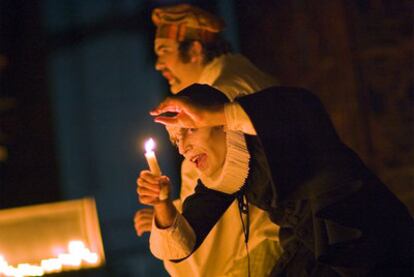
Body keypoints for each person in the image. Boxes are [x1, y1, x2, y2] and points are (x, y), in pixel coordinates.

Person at [138, 84, 414, 276]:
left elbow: (302, 106)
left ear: (220, 121)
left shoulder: (271, 130)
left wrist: (217, 112)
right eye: (175, 141)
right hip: (313, 255)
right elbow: (182, 243)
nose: (183, 147)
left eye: (188, 130)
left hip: (371, 242)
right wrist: (162, 203)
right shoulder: (224, 178)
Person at [134, 4, 281, 276]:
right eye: (176, 140)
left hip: (267, 248)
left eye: (164, 51)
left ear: (196, 50)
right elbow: (206, 202)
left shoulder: (223, 94)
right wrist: (165, 208)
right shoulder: (236, 78)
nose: (158, 65)